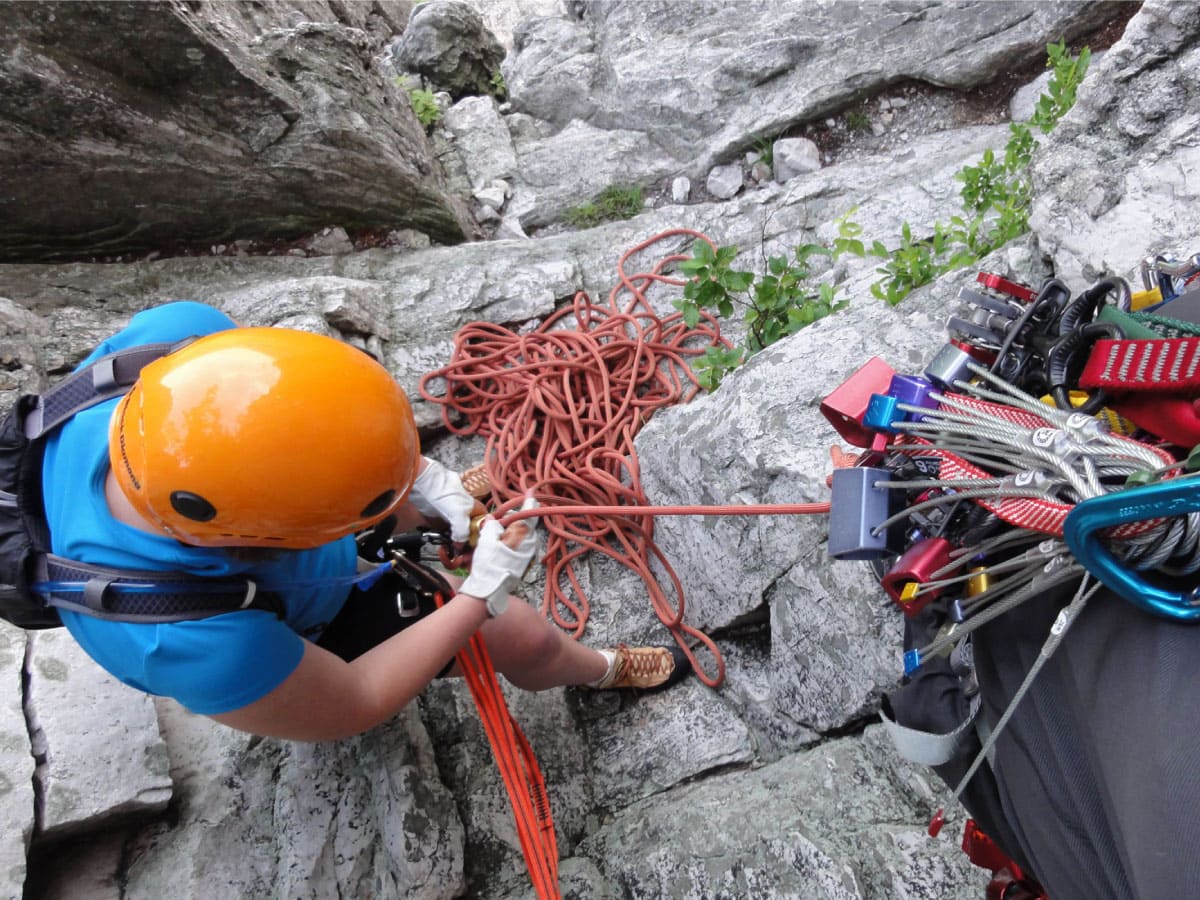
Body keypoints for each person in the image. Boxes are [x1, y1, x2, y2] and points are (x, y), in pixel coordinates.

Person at [43, 301, 689, 741]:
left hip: (255, 567)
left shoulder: (182, 338)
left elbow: (290, 415)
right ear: (265, 539)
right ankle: (596, 668)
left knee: (416, 519)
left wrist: (415, 477)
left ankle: (427, 516)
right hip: (290, 623)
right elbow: (352, 702)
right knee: (527, 639)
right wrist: (479, 598)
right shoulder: (198, 642)